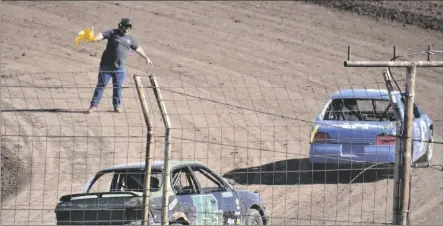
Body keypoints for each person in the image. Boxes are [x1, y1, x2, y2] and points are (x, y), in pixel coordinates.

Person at [87, 18, 153, 114]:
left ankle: (116, 106)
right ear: (120, 25)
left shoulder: (131, 39)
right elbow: (101, 36)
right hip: (106, 66)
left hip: (120, 68)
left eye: (128, 27)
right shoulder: (112, 32)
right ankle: (93, 106)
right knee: (101, 86)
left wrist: (146, 57)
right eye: (125, 26)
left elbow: (138, 48)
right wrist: (93, 38)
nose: (126, 29)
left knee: (118, 87)